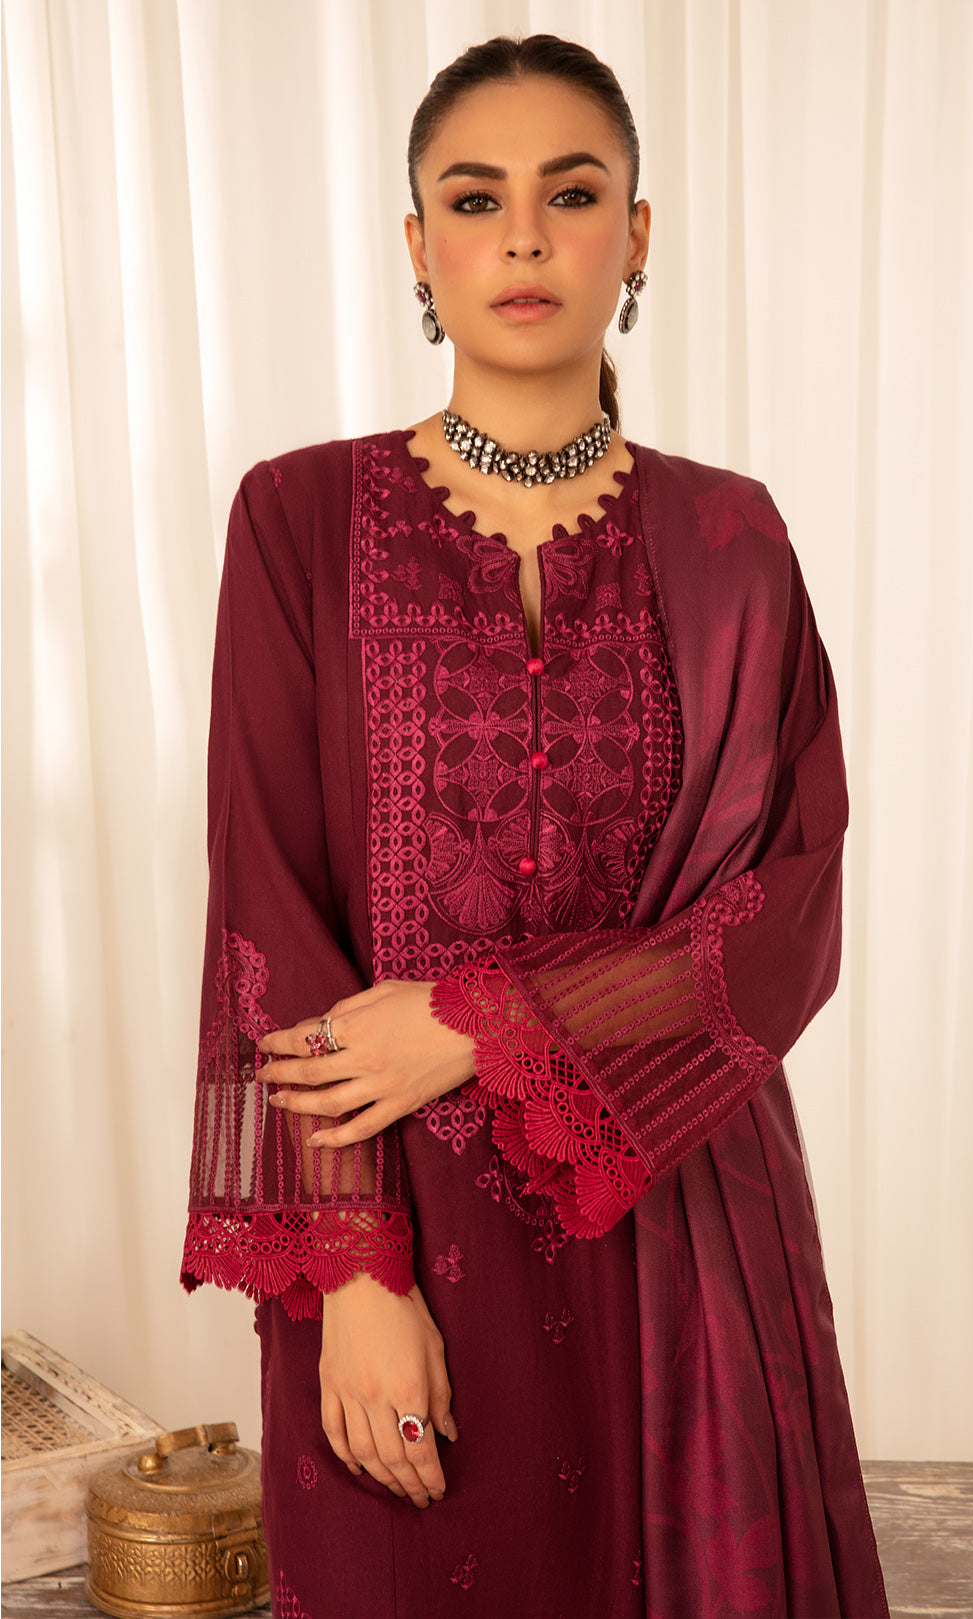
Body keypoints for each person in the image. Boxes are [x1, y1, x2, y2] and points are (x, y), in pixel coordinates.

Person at [182, 33, 889, 1619]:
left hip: (679, 1216)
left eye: (569, 196)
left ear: (634, 237)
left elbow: (791, 907)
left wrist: (479, 1019)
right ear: (417, 246)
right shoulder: (296, 518)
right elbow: (266, 906)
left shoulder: (732, 539)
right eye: (473, 198)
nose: (521, 236)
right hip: (393, 1228)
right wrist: (357, 1277)